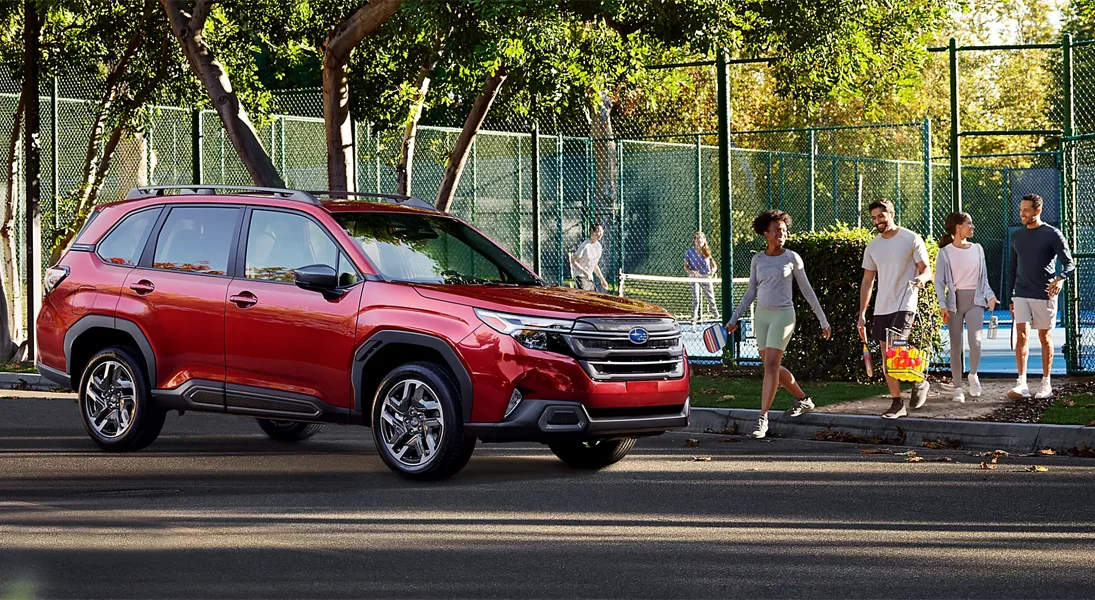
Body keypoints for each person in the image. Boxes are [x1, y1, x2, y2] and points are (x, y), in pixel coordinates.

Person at [726, 210, 831, 439]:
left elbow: (807, 291)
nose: (781, 234)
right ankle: (804, 400)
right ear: (766, 233)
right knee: (770, 366)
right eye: (776, 230)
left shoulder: (792, 258)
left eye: (784, 230)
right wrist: (735, 319)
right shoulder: (758, 259)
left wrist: (823, 320)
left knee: (772, 364)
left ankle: (762, 419)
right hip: (762, 317)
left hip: (784, 316)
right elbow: (751, 292)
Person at [857, 199, 932, 419]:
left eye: (881, 216)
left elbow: (926, 269)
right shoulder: (873, 246)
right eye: (873, 218)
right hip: (882, 308)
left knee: (895, 350)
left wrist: (921, 279)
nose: (877, 221)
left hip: (905, 304)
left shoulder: (910, 238)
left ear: (891, 213)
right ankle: (899, 401)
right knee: (885, 353)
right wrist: (862, 314)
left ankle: (917, 381)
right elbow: (867, 282)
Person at [1008, 193, 1075, 400]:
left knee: (1044, 338)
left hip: (1044, 294)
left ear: (1038, 210)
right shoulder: (1016, 236)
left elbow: (1070, 264)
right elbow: (1012, 269)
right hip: (1021, 294)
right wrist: (1012, 297)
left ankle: (1046, 384)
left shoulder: (1053, 234)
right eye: (1020, 210)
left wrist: (1060, 279)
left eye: (1026, 210)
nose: (1022, 213)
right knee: (1021, 336)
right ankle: (1022, 383)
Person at [934, 211, 998, 403]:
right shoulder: (944, 253)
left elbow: (983, 279)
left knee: (976, 342)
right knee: (955, 345)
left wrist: (991, 296)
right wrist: (943, 305)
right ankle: (958, 388)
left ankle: (973, 375)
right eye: (969, 223)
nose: (973, 226)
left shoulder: (978, 249)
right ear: (958, 227)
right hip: (954, 304)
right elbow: (939, 282)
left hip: (975, 301)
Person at [684, 231, 720, 329]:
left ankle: (718, 319)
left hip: (706, 277)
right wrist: (692, 272)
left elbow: (714, 266)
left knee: (711, 299)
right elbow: (686, 267)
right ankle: (693, 322)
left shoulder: (706, 252)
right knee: (696, 300)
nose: (700, 240)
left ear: (704, 240)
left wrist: (712, 272)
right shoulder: (689, 252)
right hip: (694, 277)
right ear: (694, 240)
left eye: (702, 238)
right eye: (698, 238)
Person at [572, 223, 609, 292]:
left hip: (589, 278)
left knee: (594, 297)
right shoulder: (585, 245)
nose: (601, 233)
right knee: (585, 297)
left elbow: (594, 265)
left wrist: (602, 279)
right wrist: (585, 272)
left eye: (602, 232)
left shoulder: (599, 247)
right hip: (580, 276)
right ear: (592, 232)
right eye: (599, 231)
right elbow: (574, 261)